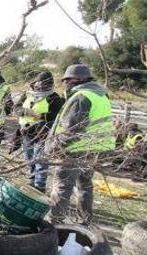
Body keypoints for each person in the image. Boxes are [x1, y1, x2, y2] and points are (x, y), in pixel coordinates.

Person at [47, 64, 115, 224]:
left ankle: (54, 223)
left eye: (69, 80)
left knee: (62, 186)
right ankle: (85, 220)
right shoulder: (100, 95)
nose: (66, 83)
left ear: (78, 80)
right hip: (94, 149)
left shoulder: (81, 97)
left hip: (74, 149)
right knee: (84, 185)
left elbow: (71, 130)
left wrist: (54, 147)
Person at [15, 71, 64, 191]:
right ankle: (32, 181)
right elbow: (16, 107)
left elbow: (54, 115)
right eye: (40, 82)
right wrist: (24, 112)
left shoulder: (54, 98)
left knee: (40, 160)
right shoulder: (28, 95)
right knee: (29, 158)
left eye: (46, 83)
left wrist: (37, 116)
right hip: (26, 131)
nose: (42, 85)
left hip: (42, 133)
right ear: (36, 82)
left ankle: (40, 186)